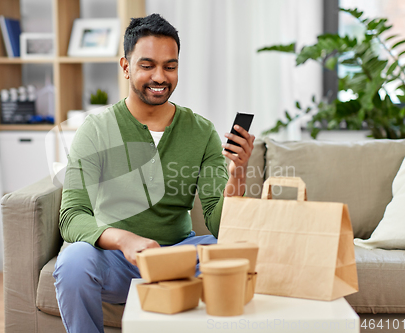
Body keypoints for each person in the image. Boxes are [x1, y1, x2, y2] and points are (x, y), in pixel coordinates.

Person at [53, 13, 255, 333]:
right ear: (126, 66)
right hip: (117, 260)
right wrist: (124, 240)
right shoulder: (95, 129)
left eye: (169, 66)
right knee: (74, 262)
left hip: (178, 257)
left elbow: (220, 223)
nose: (160, 76)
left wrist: (238, 173)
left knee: (240, 254)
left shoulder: (201, 131)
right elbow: (72, 215)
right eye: (147, 65)